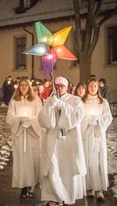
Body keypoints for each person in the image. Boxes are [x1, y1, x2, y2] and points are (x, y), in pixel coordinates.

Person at [38, 76, 86, 205]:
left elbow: (76, 119)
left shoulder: (75, 100)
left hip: (68, 142)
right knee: (53, 168)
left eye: (62, 86)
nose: (59, 88)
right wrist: (50, 107)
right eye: (57, 86)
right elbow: (44, 121)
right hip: (53, 140)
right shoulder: (49, 100)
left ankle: (66, 195)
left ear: (67, 87)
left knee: (65, 170)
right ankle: (53, 197)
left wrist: (63, 106)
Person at [5, 77, 43, 198]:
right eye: (21, 85)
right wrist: (20, 120)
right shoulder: (14, 100)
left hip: (32, 134)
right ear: (18, 87)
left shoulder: (36, 100)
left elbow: (40, 116)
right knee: (22, 160)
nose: (23, 88)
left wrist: (31, 122)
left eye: (25, 85)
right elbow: (9, 116)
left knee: (33, 160)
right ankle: (23, 185)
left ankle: (31, 185)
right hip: (20, 134)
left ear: (29, 87)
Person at [81, 79, 113, 201]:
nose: (93, 88)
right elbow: (79, 116)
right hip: (87, 134)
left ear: (97, 88)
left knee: (99, 161)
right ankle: (89, 187)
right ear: (87, 88)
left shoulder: (103, 102)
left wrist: (98, 120)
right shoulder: (82, 101)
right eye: (90, 86)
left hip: (97, 135)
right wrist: (87, 121)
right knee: (87, 161)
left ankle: (99, 189)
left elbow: (108, 117)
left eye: (95, 86)